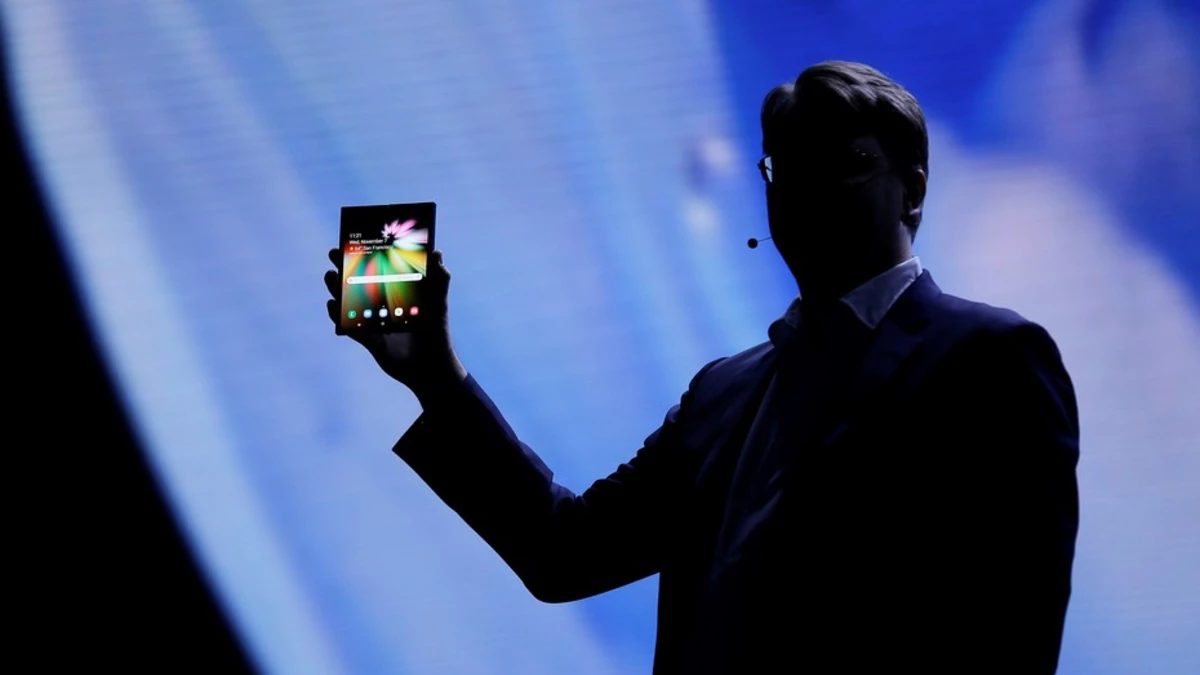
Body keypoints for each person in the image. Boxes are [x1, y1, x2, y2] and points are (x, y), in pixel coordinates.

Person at [324, 61, 1080, 674]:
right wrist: (434, 374)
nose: (809, 188)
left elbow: (1011, 637)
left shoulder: (990, 359)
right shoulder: (723, 390)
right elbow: (565, 552)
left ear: (912, 190)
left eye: (845, 164)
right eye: (787, 168)